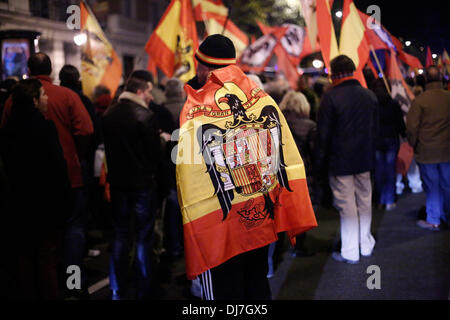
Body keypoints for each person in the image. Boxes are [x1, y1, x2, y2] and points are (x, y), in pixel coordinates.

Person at [180, 34, 317, 300]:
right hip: (259, 212)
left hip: (218, 221)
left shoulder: (196, 108)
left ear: (204, 66)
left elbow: (188, 168)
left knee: (221, 291)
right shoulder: (262, 99)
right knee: (255, 283)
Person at [1, 53, 94, 298]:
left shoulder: (14, 99)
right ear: (51, 70)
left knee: (32, 247)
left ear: (29, 70)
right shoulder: (67, 96)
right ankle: (72, 284)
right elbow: (86, 130)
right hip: (68, 178)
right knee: (71, 233)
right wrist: (75, 155)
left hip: (25, 184)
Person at [0, 79, 71, 299]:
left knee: (24, 260)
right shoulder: (44, 127)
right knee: (46, 259)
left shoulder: (6, 130)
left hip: (17, 203)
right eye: (42, 95)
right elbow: (57, 168)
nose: (47, 98)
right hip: (44, 204)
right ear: (33, 100)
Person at [102, 76, 162, 299]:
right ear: (138, 91)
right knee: (143, 238)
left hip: (118, 185)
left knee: (120, 236)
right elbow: (154, 155)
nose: (150, 96)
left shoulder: (109, 114)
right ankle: (143, 288)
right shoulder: (145, 116)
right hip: (142, 186)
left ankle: (117, 288)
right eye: (148, 91)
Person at [314, 55, 378, 264]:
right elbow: (375, 130)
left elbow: (323, 136)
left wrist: (319, 164)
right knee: (365, 201)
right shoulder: (369, 96)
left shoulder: (330, 98)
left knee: (347, 206)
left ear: (334, 73)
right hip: (364, 159)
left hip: (340, 161)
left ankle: (350, 251)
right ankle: (366, 244)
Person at [406, 66, 450, 231]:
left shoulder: (420, 101)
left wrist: (414, 143)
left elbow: (411, 128)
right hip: (447, 151)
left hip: (427, 151)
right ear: (441, 79)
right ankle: (447, 215)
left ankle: (433, 219)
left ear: (426, 80)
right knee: (447, 185)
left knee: (432, 187)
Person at [370, 79, 406, 211]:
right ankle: (390, 199)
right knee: (390, 170)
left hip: (377, 140)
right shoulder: (393, 104)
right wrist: (404, 134)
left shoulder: (372, 104)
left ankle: (380, 200)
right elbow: (399, 122)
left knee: (379, 170)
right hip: (391, 139)